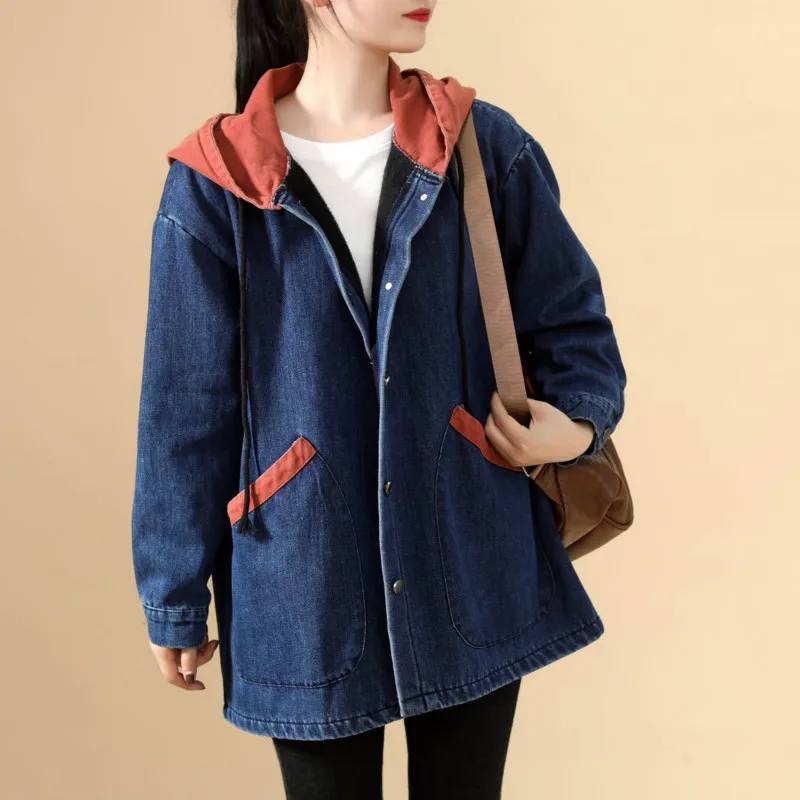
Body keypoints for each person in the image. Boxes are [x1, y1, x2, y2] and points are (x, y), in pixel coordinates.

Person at [131, 0, 627, 797]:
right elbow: (185, 410)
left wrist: (568, 431)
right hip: (302, 579)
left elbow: (575, 327)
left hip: (469, 546)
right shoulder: (215, 181)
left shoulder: (481, 144)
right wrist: (174, 594)